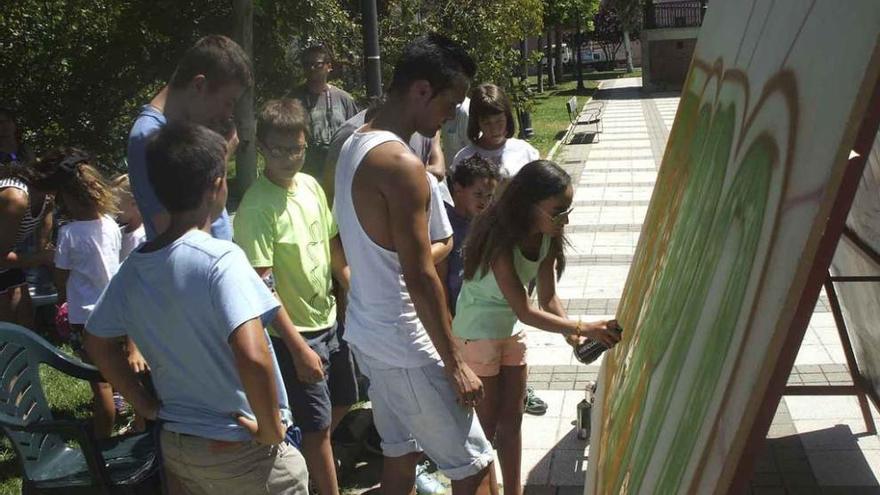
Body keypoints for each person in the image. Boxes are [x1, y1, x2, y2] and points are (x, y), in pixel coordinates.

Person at [85, 122, 310, 494]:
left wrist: (143, 403)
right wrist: (270, 429)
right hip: (243, 448)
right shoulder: (222, 259)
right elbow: (253, 356)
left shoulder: (135, 267)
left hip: (179, 445)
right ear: (218, 186)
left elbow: (96, 342)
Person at [334, 34, 496, 495]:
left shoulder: (355, 141)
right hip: (407, 344)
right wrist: (455, 362)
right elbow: (421, 273)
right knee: (476, 468)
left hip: (371, 337)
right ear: (421, 90)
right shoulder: (401, 165)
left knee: (400, 457)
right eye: (451, 103)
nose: (452, 116)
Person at [451, 160, 621, 495]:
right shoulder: (501, 242)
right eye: (558, 210)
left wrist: (574, 336)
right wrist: (584, 327)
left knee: (512, 422)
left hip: (510, 331)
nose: (565, 219)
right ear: (529, 204)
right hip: (478, 334)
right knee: (483, 430)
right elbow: (525, 310)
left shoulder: (547, 238)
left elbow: (548, 300)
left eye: (568, 210)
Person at [234, 98, 356, 495]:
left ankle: (295, 456)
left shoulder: (309, 186)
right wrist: (297, 347)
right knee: (319, 428)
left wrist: (351, 283)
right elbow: (260, 288)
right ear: (263, 148)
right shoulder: (256, 206)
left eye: (297, 148)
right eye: (279, 149)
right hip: (294, 335)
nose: (289, 158)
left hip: (329, 319)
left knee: (344, 400)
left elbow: (332, 242)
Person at [127, 34, 251, 242]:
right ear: (199, 86)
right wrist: (219, 160)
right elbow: (174, 232)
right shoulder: (148, 137)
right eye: (228, 102)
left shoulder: (185, 130)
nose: (228, 115)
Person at [45, 149, 121, 439]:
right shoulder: (111, 225)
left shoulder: (69, 234)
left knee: (98, 382)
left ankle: (102, 437)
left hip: (85, 318)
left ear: (69, 198)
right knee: (123, 373)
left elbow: (60, 275)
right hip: (115, 312)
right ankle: (139, 427)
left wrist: (60, 297)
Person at [437, 154, 501, 316]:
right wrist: (446, 317)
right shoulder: (445, 225)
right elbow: (440, 279)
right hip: (458, 312)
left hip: (486, 310)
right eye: (478, 194)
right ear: (458, 189)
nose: (484, 202)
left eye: (489, 196)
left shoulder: (490, 224)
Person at [291, 45, 358, 181]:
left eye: (317, 64)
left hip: (340, 172)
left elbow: (356, 134)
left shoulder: (344, 99)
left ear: (329, 66)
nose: (312, 69)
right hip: (307, 173)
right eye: (307, 65)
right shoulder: (293, 99)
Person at [0, 163, 54, 328]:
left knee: (24, 321)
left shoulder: (47, 199)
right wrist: (41, 258)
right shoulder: (16, 197)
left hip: (7, 262)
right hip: (3, 259)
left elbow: (43, 245)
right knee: (8, 331)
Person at [451, 84, 539, 180]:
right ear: (476, 122)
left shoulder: (526, 152)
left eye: (499, 121)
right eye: (487, 123)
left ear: (507, 117)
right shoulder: (463, 159)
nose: (494, 129)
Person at [112, 174, 147, 260]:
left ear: (134, 203)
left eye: (118, 205)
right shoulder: (119, 232)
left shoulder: (141, 237)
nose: (114, 210)